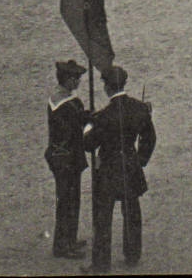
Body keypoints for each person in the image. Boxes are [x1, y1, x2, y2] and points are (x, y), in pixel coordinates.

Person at [85, 65, 156, 273]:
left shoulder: (103, 117)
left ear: (107, 88)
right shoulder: (140, 109)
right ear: (123, 84)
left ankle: (101, 263)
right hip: (130, 166)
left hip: (108, 169)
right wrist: (140, 160)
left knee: (103, 216)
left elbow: (89, 143)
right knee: (131, 211)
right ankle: (133, 254)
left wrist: (89, 123)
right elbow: (150, 138)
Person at [45, 60, 89, 260]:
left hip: (58, 157)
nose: (79, 82)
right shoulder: (70, 105)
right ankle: (64, 246)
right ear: (69, 80)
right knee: (69, 202)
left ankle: (67, 240)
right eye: (77, 79)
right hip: (69, 159)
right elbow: (79, 126)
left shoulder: (56, 100)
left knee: (66, 200)